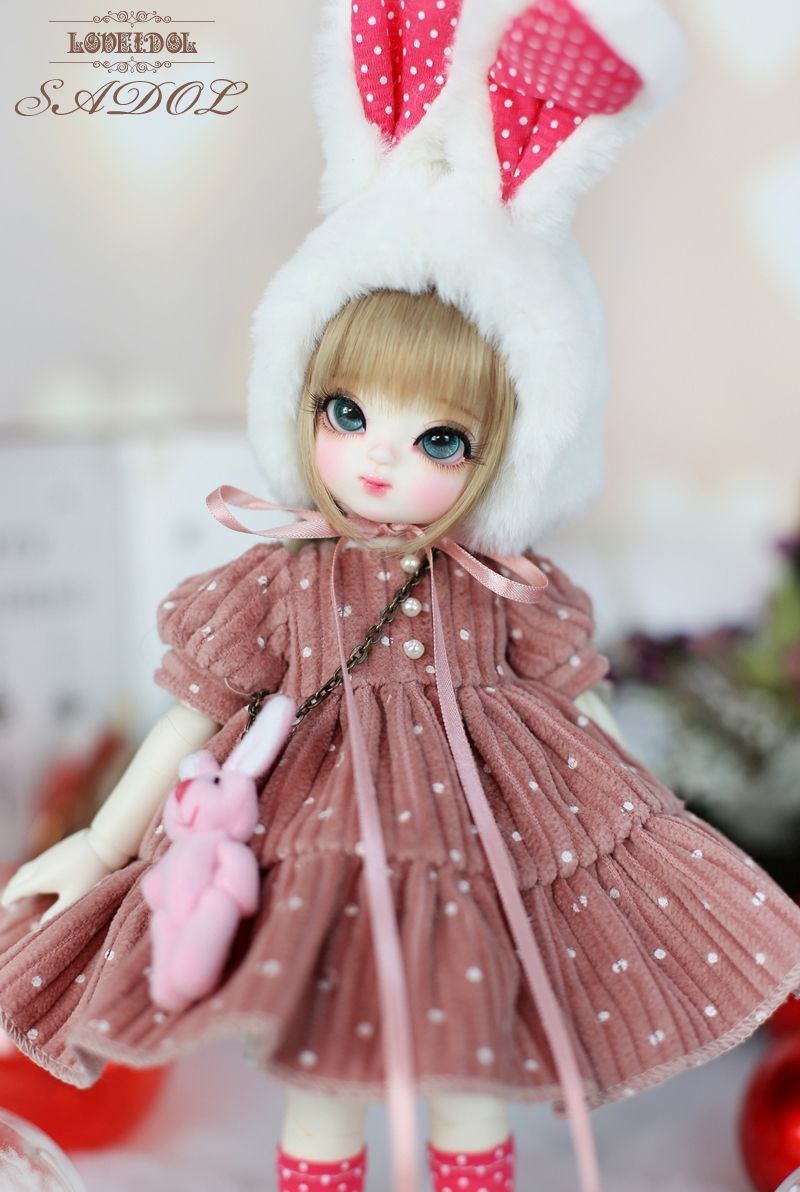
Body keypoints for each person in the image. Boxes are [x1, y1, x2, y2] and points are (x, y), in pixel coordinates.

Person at [4, 4, 800, 1191]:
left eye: (437, 438)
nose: (379, 460)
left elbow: (580, 714)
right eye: (346, 414)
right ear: (299, 403)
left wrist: (653, 833)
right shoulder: (280, 577)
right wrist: (100, 841)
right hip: (316, 849)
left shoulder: (503, 585)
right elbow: (193, 714)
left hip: (476, 850)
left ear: (507, 458)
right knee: (323, 1081)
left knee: (468, 1074)